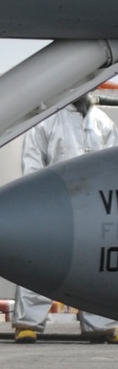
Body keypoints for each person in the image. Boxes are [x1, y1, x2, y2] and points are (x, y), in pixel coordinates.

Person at [13, 97, 118, 343]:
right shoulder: (46, 120)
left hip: (92, 206)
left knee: (93, 265)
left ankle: (100, 323)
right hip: (53, 205)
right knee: (38, 261)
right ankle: (28, 322)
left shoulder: (103, 122)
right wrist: (37, 201)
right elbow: (32, 164)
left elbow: (113, 166)